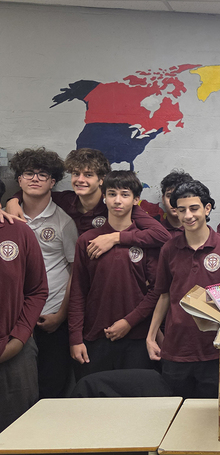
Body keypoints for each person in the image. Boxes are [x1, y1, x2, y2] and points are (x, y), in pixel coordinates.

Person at [146, 180, 220, 399]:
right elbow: (164, 295)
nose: (188, 215)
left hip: (215, 349)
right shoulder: (169, 249)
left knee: (210, 411)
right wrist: (151, 337)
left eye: (194, 208)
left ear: (207, 208)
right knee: (176, 409)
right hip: (176, 349)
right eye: (182, 210)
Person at [69, 171, 167, 379]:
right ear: (104, 197)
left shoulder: (146, 241)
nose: (117, 200)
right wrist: (75, 338)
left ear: (136, 199)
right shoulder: (88, 240)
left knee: (134, 395)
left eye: (125, 194)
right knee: (93, 393)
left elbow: (156, 291)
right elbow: (78, 291)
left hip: (137, 337)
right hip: (95, 336)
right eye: (112, 194)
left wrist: (129, 321)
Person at [0, 184, 54, 455]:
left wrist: (19, 338)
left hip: (13, 352)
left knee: (19, 440)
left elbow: (37, 290)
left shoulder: (18, 232)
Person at [9, 148, 78, 397]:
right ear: (19, 180)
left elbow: (75, 272)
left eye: (42, 174)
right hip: (15, 319)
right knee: (18, 390)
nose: (35, 179)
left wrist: (61, 315)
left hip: (50, 318)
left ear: (52, 182)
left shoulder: (64, 222)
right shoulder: (7, 219)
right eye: (29, 173)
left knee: (51, 388)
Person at [5, 147, 170, 252]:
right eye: (76, 174)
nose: (80, 180)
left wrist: (115, 237)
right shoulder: (65, 200)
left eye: (88, 175)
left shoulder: (116, 204)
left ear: (101, 180)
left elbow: (162, 236)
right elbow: (38, 192)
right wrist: (13, 200)